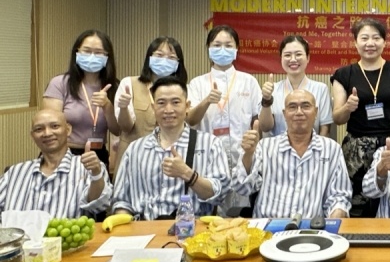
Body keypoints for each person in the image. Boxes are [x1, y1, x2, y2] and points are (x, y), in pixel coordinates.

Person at [111, 77, 230, 220]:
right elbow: (120, 201)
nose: (168, 110)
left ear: (187, 106)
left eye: (175, 102)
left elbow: (220, 195)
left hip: (193, 231)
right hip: (144, 229)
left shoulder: (210, 144)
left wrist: (187, 174)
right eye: (161, 103)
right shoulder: (135, 149)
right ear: (154, 107)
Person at [331, 18, 390, 217]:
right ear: (355, 43)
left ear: (384, 42)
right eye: (364, 38)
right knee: (358, 205)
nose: (370, 43)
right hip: (356, 150)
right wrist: (348, 107)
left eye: (376, 38)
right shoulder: (344, 74)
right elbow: (338, 118)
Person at [186, 25, 271, 215]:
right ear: (208, 48)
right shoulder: (197, 83)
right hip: (208, 158)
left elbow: (261, 122)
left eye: (228, 45)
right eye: (217, 45)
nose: (222, 49)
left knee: (240, 212)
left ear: (236, 49)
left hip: (243, 158)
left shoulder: (248, 81)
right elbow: (190, 119)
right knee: (210, 213)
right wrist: (207, 101)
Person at [234, 89, 351, 218]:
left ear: (316, 112)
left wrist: (336, 215)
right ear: (284, 114)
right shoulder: (265, 147)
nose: (299, 112)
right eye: (292, 107)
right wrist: (248, 155)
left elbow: (339, 196)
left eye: (305, 106)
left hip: (311, 231)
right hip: (268, 228)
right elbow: (242, 188)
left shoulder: (331, 149)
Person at [0, 109, 111, 218]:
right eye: (39, 129)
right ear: (32, 136)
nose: (47, 133)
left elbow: (99, 206)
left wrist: (96, 174)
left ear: (68, 129)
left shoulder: (89, 168)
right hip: (20, 236)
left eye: (55, 126)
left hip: (68, 236)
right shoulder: (15, 173)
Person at [113, 36, 188, 177]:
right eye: (159, 55)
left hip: (169, 159)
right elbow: (125, 127)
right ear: (149, 57)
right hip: (133, 159)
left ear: (179, 63)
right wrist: (123, 107)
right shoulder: (129, 83)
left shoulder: (183, 90)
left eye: (171, 58)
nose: (165, 60)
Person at [43, 30, 120, 167]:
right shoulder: (60, 83)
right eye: (87, 51)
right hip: (63, 153)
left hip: (98, 154)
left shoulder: (113, 86)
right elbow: (49, 125)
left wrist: (107, 106)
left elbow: (117, 130)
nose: (92, 56)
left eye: (98, 52)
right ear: (77, 52)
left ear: (107, 56)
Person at [260, 35, 333, 137]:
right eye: (287, 55)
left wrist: (319, 151)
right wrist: (266, 99)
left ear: (308, 58)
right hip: (276, 150)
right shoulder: (272, 89)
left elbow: (325, 129)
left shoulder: (321, 89)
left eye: (298, 54)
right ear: (281, 58)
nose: (293, 59)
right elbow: (265, 127)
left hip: (312, 150)